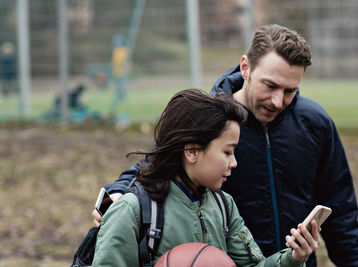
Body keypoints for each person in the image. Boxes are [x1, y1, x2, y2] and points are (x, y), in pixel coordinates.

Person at [93, 25, 358, 266]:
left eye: (289, 91)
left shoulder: (315, 122)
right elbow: (158, 164)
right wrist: (116, 195)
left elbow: (340, 204)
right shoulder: (215, 121)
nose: (277, 101)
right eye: (270, 86)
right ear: (245, 67)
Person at [92, 89, 321, 266]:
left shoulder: (224, 206)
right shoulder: (133, 211)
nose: (234, 163)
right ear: (192, 151)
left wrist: (293, 258)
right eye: (227, 152)